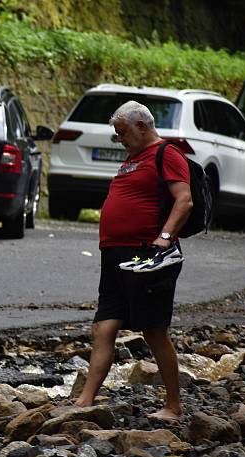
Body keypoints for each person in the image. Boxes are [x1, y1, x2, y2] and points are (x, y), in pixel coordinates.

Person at [74, 100, 193, 422]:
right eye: (117, 134)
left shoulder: (166, 154)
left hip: (147, 254)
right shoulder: (133, 158)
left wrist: (164, 238)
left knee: (154, 330)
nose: (120, 139)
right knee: (103, 326)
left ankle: (173, 406)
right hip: (114, 254)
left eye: (123, 133)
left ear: (142, 125)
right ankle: (85, 400)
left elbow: (184, 200)